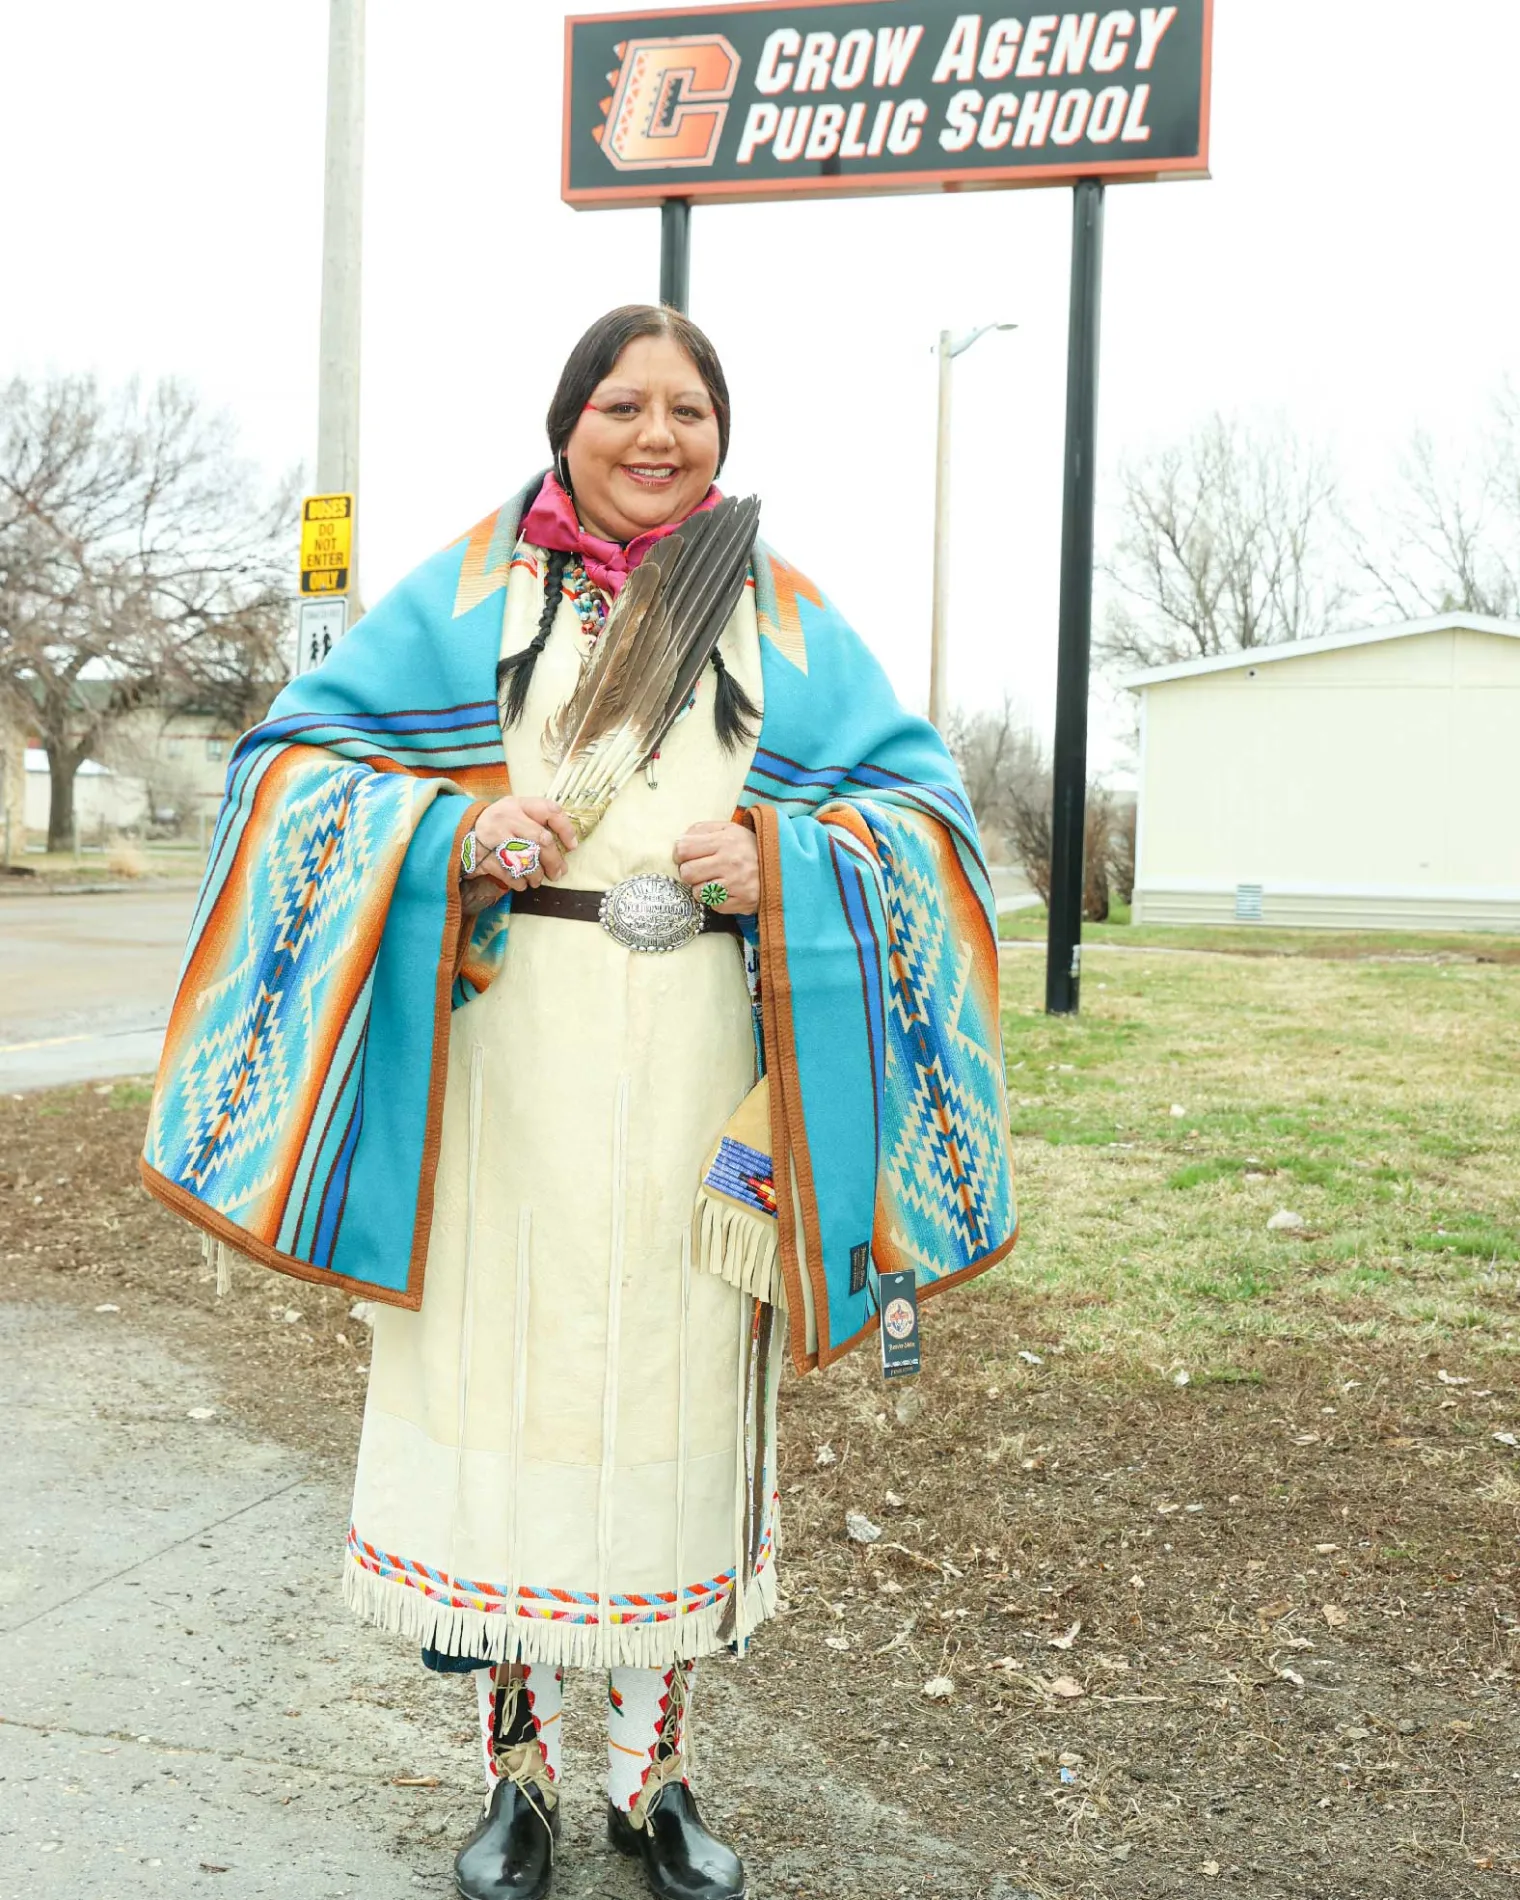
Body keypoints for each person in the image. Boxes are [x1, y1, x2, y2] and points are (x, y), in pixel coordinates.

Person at [143, 305, 1018, 1900]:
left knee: (678, 1408)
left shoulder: (782, 616)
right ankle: (517, 1780)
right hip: (509, 1066)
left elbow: (926, 816)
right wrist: (447, 846)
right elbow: (293, 768)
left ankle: (654, 1775)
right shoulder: (473, 591)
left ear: (721, 434)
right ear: (569, 421)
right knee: (508, 1402)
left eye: (690, 409)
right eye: (626, 404)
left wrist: (789, 865)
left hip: (701, 1065)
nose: (658, 436)